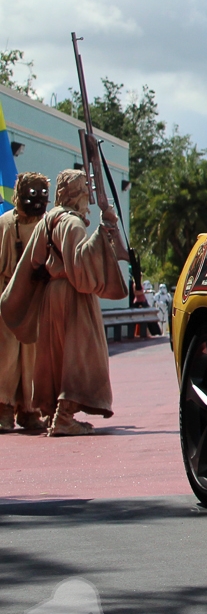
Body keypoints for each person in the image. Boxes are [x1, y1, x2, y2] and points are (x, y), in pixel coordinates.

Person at [21, 170, 128, 437]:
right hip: (72, 295)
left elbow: (34, 257)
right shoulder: (73, 224)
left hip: (51, 295)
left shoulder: (48, 220)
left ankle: (51, 411)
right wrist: (104, 230)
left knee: (55, 355)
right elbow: (80, 267)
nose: (87, 201)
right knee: (80, 355)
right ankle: (64, 416)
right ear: (77, 195)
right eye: (85, 194)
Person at [0, 173, 49, 431]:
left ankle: (29, 410)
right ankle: (3, 408)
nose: (37, 200)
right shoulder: (5, 224)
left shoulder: (46, 226)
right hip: (6, 299)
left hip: (34, 301)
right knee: (6, 356)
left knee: (32, 357)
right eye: (31, 194)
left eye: (42, 194)